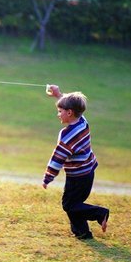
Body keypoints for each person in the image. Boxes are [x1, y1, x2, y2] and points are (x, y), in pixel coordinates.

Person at [42, 85, 109, 239]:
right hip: (88, 172)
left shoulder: (67, 136)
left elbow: (57, 158)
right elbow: (71, 106)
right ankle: (82, 233)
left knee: (69, 205)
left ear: (69, 112)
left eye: (60, 111)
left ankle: (100, 213)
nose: (58, 114)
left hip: (77, 177)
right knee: (75, 204)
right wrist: (59, 95)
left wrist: (48, 177)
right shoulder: (82, 122)